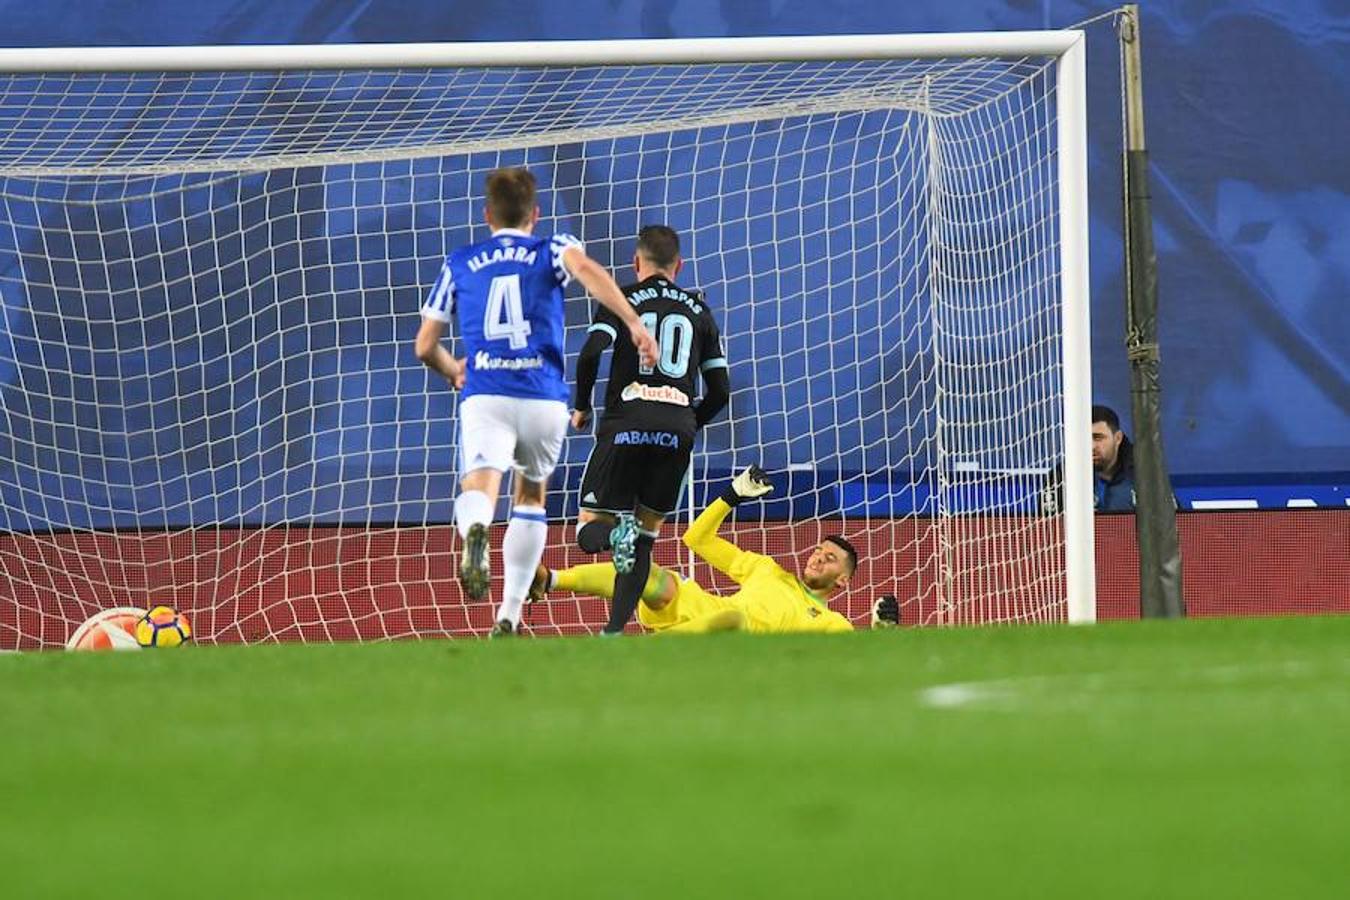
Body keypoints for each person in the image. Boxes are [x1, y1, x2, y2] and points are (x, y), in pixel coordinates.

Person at [414, 167, 657, 637]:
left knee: (481, 489)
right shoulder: (554, 246)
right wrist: (632, 321)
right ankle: (509, 615)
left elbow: (425, 345)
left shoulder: (460, 261)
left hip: (486, 393)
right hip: (543, 397)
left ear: (487, 215)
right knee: (530, 498)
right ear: (536, 213)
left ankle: (476, 529)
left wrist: (453, 369)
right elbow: (587, 271)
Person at [570, 225, 731, 635]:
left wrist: (582, 407)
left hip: (627, 423)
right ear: (679, 265)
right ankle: (613, 631)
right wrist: (688, 424)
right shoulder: (700, 311)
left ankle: (614, 533)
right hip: (676, 430)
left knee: (590, 528)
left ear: (635, 263)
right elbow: (721, 391)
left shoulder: (619, 296)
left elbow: (591, 353)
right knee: (645, 536)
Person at [530, 466, 901, 633]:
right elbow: (697, 539)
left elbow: (855, 667)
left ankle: (647, 652)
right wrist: (731, 496)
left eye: (831, 558)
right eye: (819, 550)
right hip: (699, 610)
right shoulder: (767, 569)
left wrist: (881, 631)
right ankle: (550, 580)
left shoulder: (833, 624)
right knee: (650, 574)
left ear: (843, 582)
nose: (819, 556)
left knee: (735, 621)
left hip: (731, 643)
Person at [1040, 404, 1137, 513]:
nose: (1091, 446)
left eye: (1098, 438)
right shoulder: (1060, 477)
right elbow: (1049, 526)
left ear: (1118, 438)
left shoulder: (1142, 474)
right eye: (1084, 438)